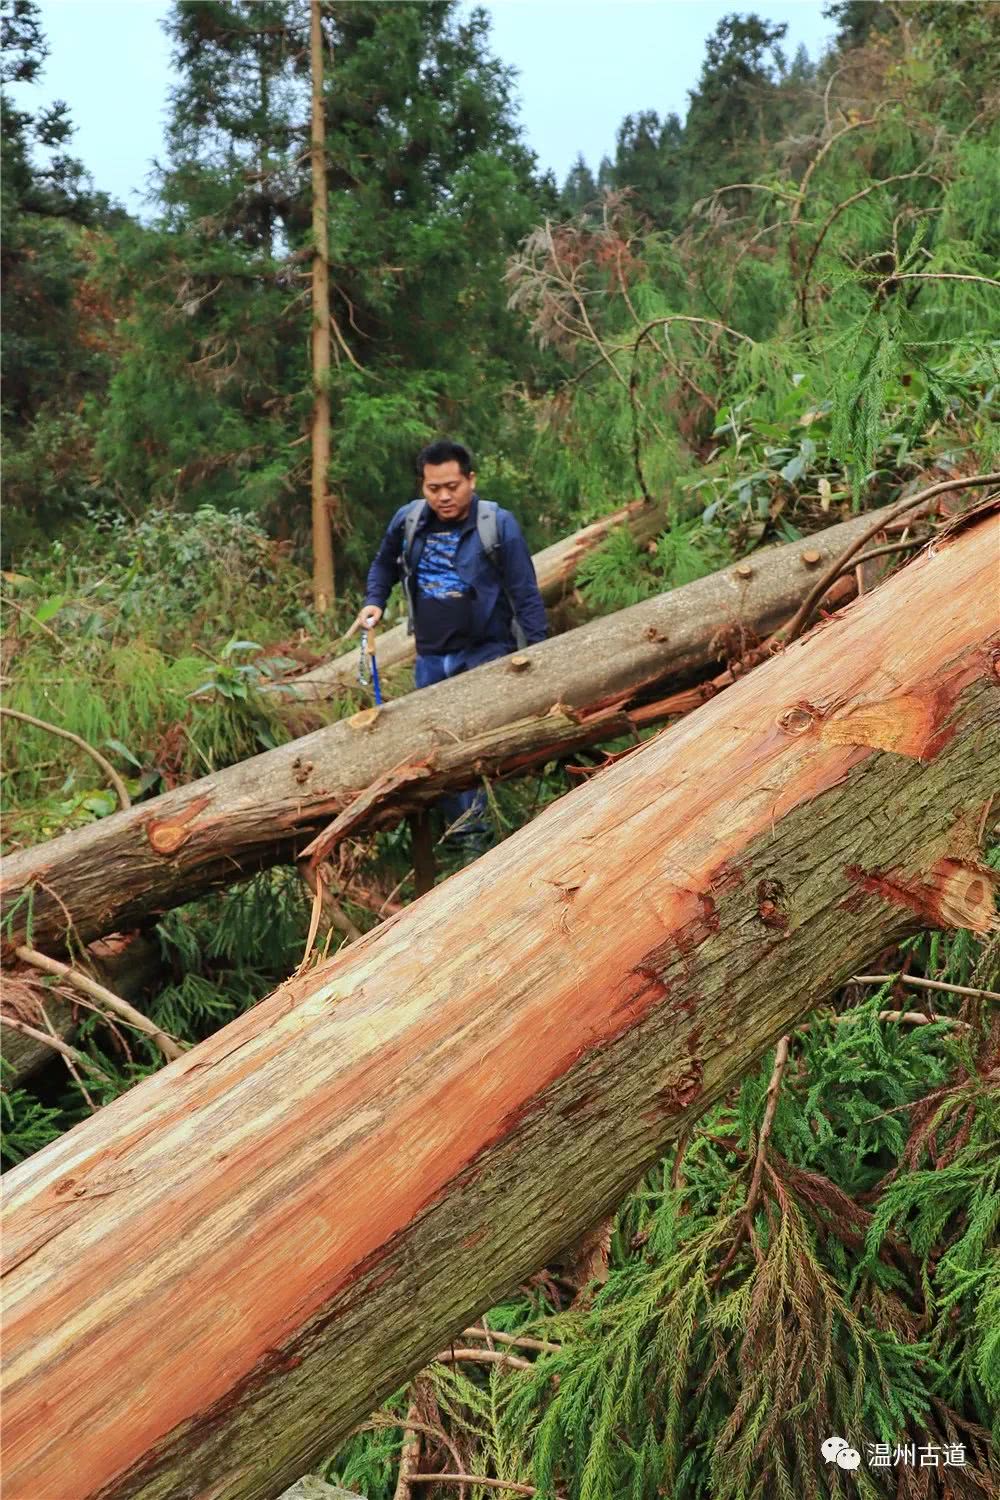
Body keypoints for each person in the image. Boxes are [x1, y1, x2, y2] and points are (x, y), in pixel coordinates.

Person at [353, 438, 547, 848]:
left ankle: (480, 847)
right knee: (436, 751)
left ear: (471, 480)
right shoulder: (410, 521)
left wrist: (540, 652)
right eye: (433, 488)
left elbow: (524, 591)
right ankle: (458, 843)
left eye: (452, 486)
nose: (443, 496)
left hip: (485, 655)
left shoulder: (498, 524)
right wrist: (374, 601)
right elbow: (383, 563)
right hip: (430, 658)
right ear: (423, 485)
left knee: (474, 751)